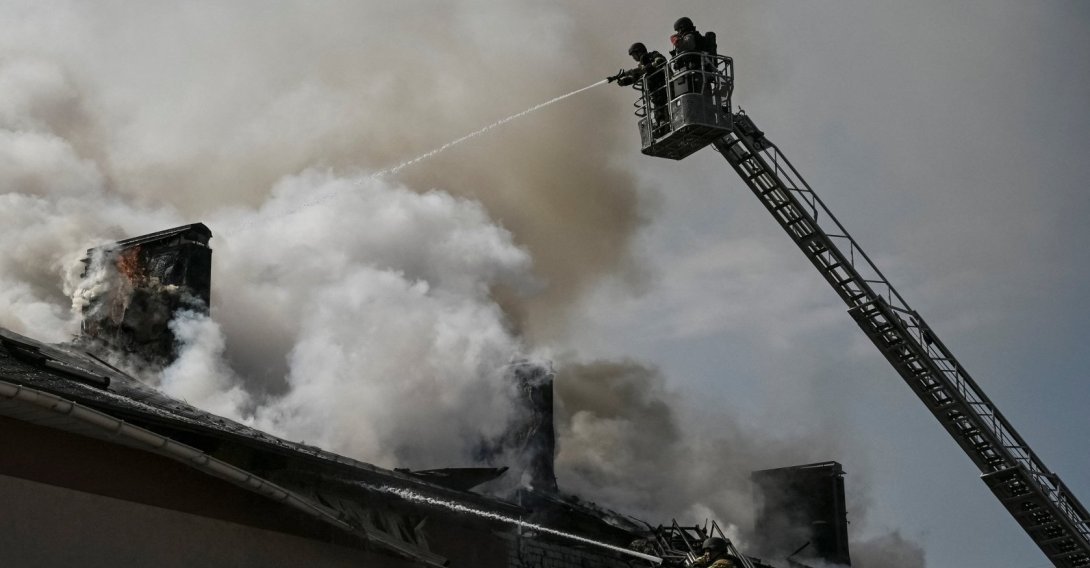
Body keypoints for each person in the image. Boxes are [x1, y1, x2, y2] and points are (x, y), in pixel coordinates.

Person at [609, 42, 669, 135]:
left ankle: (663, 123)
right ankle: (661, 124)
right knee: (658, 107)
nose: (634, 58)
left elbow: (660, 61)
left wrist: (649, 67)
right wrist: (624, 81)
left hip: (664, 86)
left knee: (660, 106)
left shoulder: (653, 55)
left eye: (634, 55)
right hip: (655, 92)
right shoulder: (641, 66)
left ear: (639, 52)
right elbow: (636, 75)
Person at [670, 17, 718, 95]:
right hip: (695, 75)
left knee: (697, 97)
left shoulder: (690, 36)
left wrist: (676, 41)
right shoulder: (694, 36)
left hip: (695, 74)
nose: (678, 33)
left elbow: (687, 45)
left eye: (678, 30)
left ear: (682, 28)